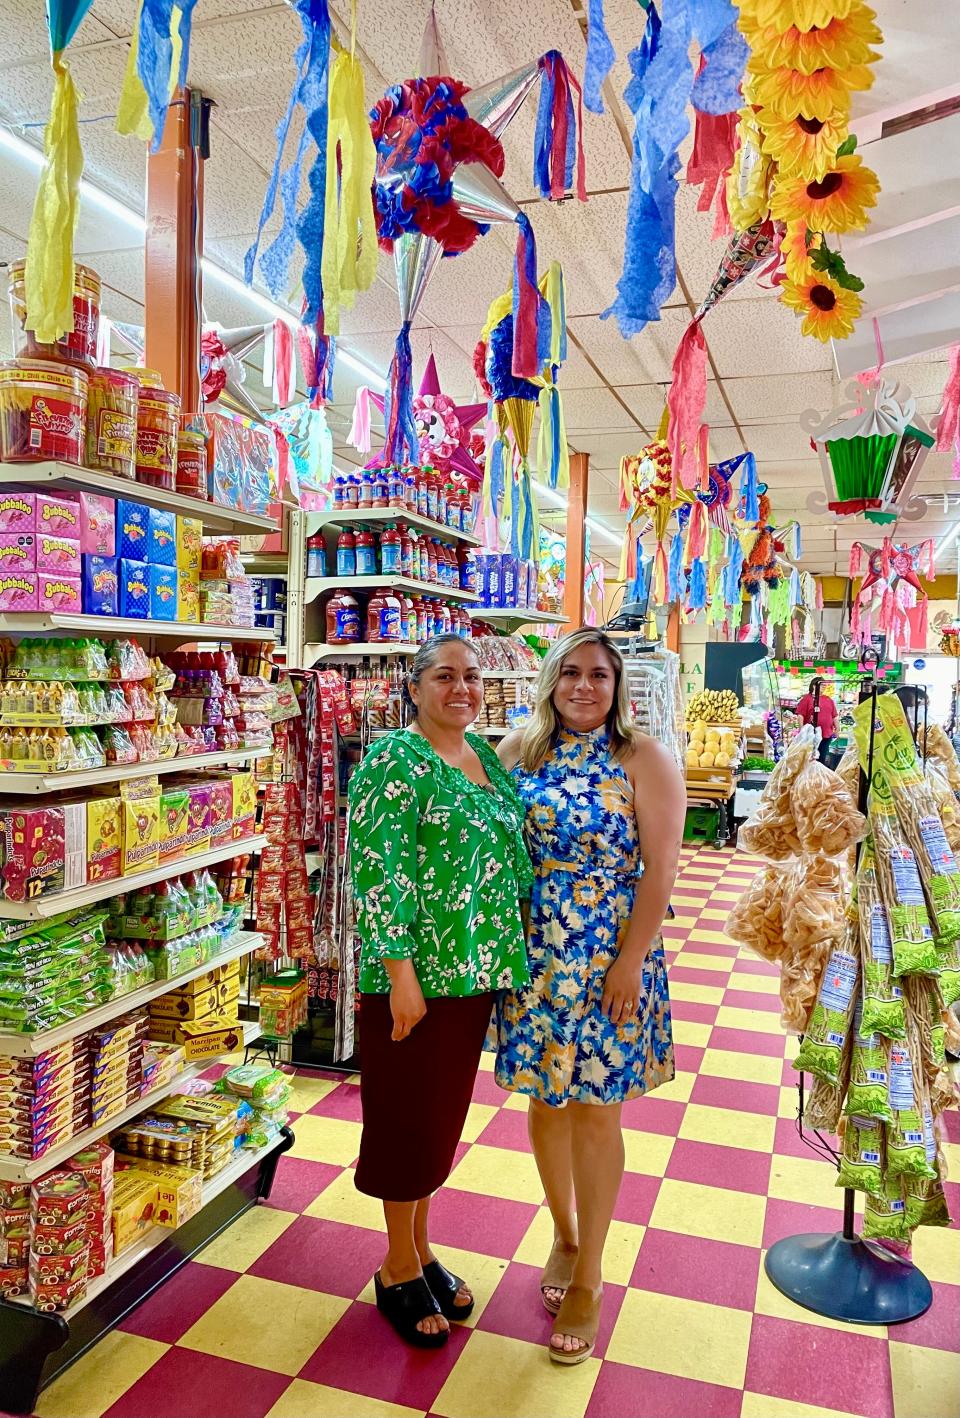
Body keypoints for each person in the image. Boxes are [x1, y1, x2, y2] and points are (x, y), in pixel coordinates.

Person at [494, 629, 685, 1365]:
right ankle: (564, 1235)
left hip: (610, 955)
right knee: (545, 1102)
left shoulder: (645, 760)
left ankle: (593, 1273)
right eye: (570, 673)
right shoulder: (519, 751)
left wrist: (631, 960)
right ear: (550, 681)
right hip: (536, 956)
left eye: (598, 675)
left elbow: (659, 871)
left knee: (597, 1112)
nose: (583, 686)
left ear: (618, 687)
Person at [348, 634, 532, 1349]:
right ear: (415, 687)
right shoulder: (396, 758)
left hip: (473, 972)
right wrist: (398, 973)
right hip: (417, 977)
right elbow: (378, 865)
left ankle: (421, 1249)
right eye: (446, 676)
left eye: (473, 677)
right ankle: (395, 1267)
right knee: (403, 1122)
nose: (463, 688)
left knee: (436, 1124)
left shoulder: (482, 756)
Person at [795, 677, 838, 764]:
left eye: (825, 685)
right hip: (812, 735)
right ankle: (810, 776)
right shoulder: (807, 699)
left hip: (826, 735)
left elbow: (835, 716)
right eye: (822, 684)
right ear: (814, 686)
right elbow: (800, 715)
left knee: (822, 758)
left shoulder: (829, 700)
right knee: (811, 759)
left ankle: (818, 776)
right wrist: (801, 730)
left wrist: (837, 729)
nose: (824, 686)